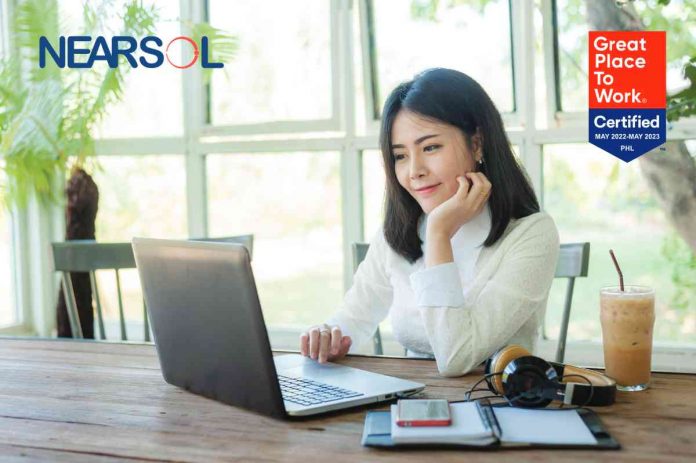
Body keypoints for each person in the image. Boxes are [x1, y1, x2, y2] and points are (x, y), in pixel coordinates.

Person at [299, 68, 559, 376]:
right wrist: (327, 335)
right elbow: (353, 319)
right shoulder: (398, 231)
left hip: (498, 406)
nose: (414, 171)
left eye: (430, 147)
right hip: (410, 400)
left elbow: (456, 357)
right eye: (400, 156)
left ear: (476, 145)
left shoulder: (531, 234)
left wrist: (439, 233)